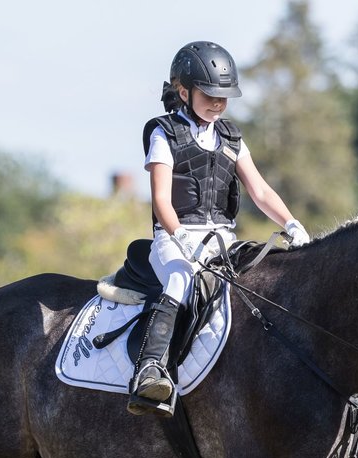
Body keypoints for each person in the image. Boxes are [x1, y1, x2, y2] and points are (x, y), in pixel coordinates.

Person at [128, 40, 311, 416]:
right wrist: (180, 239)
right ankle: (149, 370)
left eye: (224, 96)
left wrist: (291, 223)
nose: (218, 103)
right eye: (210, 94)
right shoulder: (165, 135)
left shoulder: (230, 138)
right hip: (174, 240)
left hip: (222, 239)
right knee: (180, 280)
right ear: (184, 91)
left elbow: (259, 191)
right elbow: (161, 200)